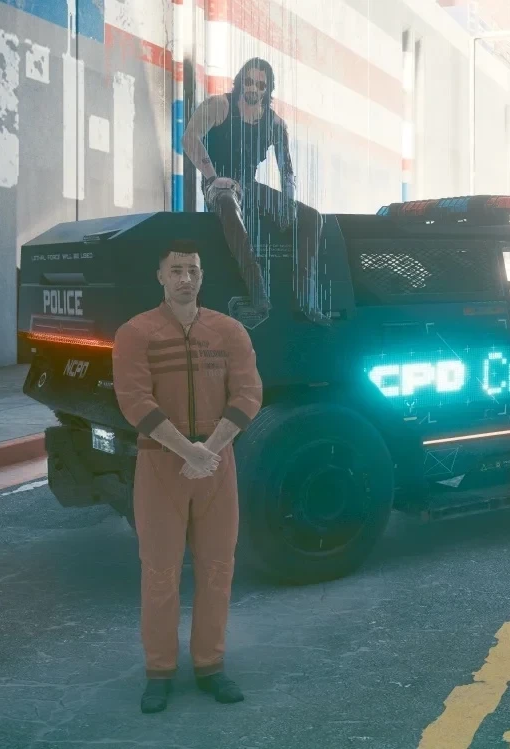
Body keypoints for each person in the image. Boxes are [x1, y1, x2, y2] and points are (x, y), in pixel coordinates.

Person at [112, 239, 264, 713]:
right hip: (162, 465)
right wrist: (188, 451)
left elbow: (248, 394)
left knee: (218, 569)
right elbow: (134, 400)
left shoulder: (229, 331)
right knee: (160, 572)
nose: (185, 278)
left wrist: (207, 451)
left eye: (193, 270)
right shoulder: (136, 333)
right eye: (176, 270)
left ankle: (210, 666)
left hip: (215, 464)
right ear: (160, 276)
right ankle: (159, 671)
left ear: (202, 276)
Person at [182, 58, 325, 323]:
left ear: (267, 89)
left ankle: (307, 301)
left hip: (249, 186)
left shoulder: (275, 123)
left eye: (260, 84)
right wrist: (213, 177)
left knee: (312, 217)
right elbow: (189, 138)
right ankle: (258, 291)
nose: (253, 88)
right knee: (228, 202)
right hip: (218, 185)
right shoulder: (220, 106)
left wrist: (289, 202)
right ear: (240, 81)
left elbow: (287, 170)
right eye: (249, 81)